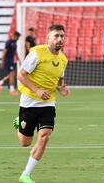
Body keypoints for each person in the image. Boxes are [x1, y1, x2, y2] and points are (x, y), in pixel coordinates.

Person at [13, 24, 70, 183]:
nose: (59, 39)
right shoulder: (37, 53)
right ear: (48, 38)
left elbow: (59, 79)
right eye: (56, 36)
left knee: (45, 136)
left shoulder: (63, 59)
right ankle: (19, 123)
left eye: (62, 36)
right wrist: (37, 90)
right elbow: (22, 75)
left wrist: (61, 88)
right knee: (25, 142)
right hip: (29, 101)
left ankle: (26, 174)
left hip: (48, 104)